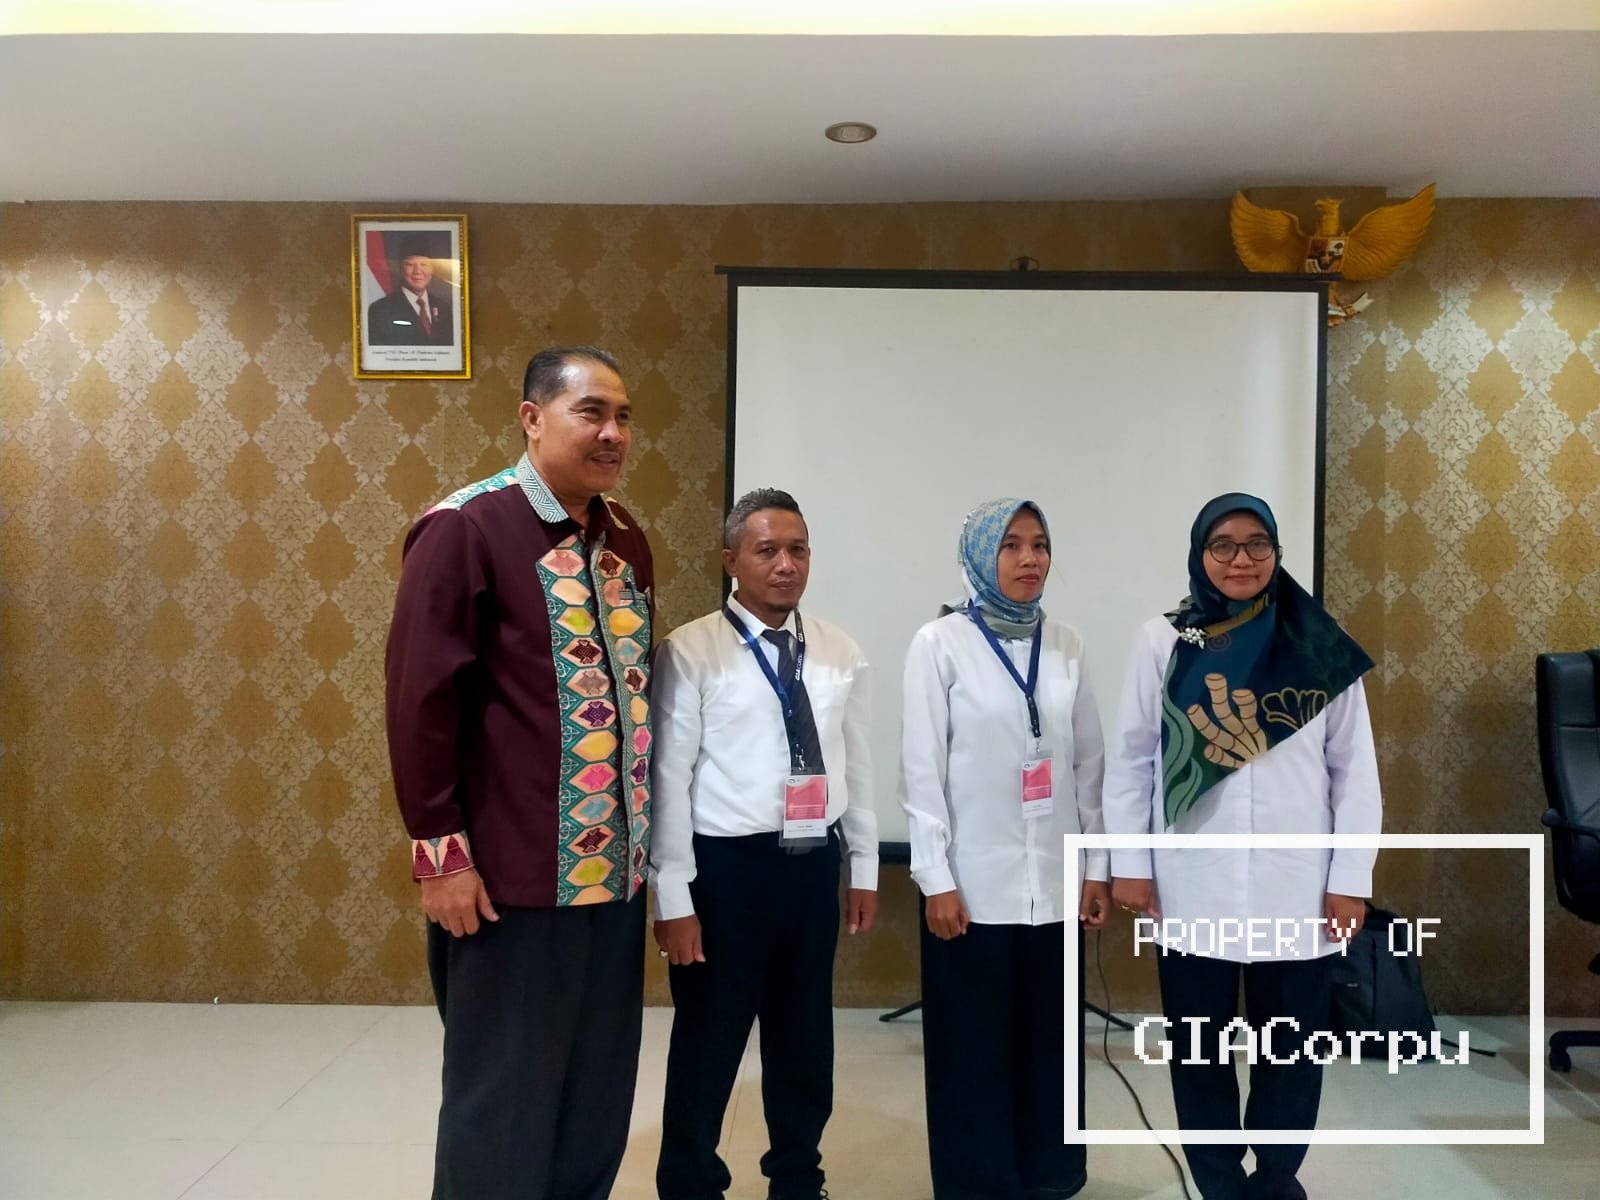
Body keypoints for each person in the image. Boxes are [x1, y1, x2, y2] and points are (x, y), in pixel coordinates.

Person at [385, 345, 654, 1200]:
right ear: (532, 419)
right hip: (510, 884)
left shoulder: (626, 540)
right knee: (502, 1103)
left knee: (595, 1099)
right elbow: (420, 704)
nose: (612, 433)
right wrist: (442, 859)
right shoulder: (465, 529)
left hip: (614, 880)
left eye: (623, 417)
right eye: (591, 412)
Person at [1103, 492, 1382, 1200]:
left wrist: (1350, 878)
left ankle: (1277, 1179)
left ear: (1277, 554)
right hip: (1192, 882)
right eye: (1222, 545)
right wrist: (1129, 864)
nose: (1241, 559)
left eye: (1257, 544)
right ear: (1199, 554)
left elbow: (1355, 771)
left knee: (1292, 1050)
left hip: (1299, 886)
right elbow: (1133, 761)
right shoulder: (1163, 641)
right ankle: (1219, 1183)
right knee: (1198, 1049)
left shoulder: (1316, 642)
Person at [649, 487, 879, 1200]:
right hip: (726, 873)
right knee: (709, 1039)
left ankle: (798, 1177)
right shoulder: (690, 651)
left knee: (804, 1037)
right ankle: (690, 1182)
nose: (786, 564)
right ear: (731, 561)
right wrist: (673, 898)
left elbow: (857, 764)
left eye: (798, 549)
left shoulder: (839, 650)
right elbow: (668, 779)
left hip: (811, 866)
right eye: (767, 550)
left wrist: (864, 866)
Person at [900, 497, 1110, 1200]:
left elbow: (1089, 766)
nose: (1029, 559)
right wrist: (935, 879)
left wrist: (1096, 868)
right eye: (1011, 545)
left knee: (1051, 1045)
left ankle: (1051, 1176)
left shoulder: (1068, 644)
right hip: (973, 888)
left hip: (1053, 886)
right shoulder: (940, 644)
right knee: (973, 1051)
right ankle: (978, 1183)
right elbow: (922, 771)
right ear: (981, 556)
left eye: (1040, 544)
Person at [368, 231, 455, 346]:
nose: (418, 271)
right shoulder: (380, 310)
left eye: (424, 264)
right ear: (400, 267)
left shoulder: (444, 308)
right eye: (410, 264)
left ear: (432, 268)